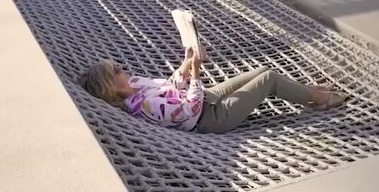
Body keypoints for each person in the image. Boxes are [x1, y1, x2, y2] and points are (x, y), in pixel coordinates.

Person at [78, 45, 347, 134]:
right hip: (210, 119)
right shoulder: (143, 107)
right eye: (117, 71)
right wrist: (195, 75)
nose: (123, 70)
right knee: (270, 81)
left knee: (263, 72)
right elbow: (187, 110)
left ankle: (306, 91)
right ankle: (318, 97)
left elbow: (170, 86)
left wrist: (185, 65)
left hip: (206, 100)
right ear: (111, 86)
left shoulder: (135, 86)